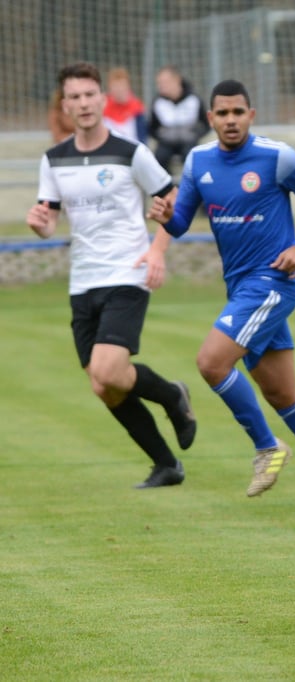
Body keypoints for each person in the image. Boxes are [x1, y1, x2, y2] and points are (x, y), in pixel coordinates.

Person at [146, 79, 295, 510]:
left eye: (238, 112)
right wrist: (166, 215)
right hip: (240, 288)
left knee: (210, 363)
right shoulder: (197, 161)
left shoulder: (275, 156)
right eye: (222, 114)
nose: (230, 120)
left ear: (251, 115)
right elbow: (179, 224)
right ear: (209, 119)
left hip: (271, 283)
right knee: (283, 394)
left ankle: (267, 447)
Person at [27, 62, 195, 489]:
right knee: (105, 386)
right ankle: (166, 464)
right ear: (64, 105)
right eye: (74, 97)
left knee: (108, 368)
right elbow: (49, 221)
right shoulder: (54, 160)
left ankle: (174, 396)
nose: (83, 103)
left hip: (128, 271)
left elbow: (172, 202)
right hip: (82, 280)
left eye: (89, 95)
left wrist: (157, 251)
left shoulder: (132, 152)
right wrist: (40, 224)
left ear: (102, 99)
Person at [149, 65, 210, 173]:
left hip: (188, 142)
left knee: (192, 157)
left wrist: (196, 135)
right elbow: (152, 128)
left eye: (164, 82)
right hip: (166, 143)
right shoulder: (158, 102)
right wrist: (162, 136)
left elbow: (206, 124)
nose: (161, 86)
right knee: (158, 159)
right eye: (159, 83)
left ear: (177, 80)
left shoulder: (194, 100)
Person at [103, 67, 146, 143]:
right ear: (110, 88)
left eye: (122, 86)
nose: (119, 90)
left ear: (128, 87)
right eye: (116, 86)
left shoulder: (137, 108)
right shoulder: (103, 107)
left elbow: (142, 137)